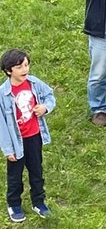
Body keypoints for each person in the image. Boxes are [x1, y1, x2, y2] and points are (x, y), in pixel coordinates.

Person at [1, 49, 55, 221]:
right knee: (15, 176)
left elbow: (49, 95)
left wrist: (45, 107)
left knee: (37, 171)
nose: (25, 69)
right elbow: (1, 125)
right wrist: (8, 149)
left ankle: (38, 202)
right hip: (16, 142)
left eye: (26, 65)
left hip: (34, 137)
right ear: (9, 71)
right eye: (19, 67)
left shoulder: (34, 83)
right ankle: (14, 204)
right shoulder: (3, 94)